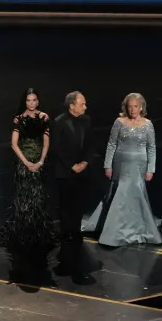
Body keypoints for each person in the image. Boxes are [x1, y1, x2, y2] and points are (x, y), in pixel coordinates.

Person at [83, 92, 162, 246]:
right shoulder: (119, 122)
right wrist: (107, 165)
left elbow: (151, 148)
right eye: (130, 106)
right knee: (119, 194)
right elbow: (112, 144)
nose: (132, 110)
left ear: (141, 107)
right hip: (120, 164)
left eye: (136, 106)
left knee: (135, 194)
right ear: (126, 107)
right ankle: (115, 232)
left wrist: (151, 169)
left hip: (139, 165)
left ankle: (136, 228)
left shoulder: (148, 124)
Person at [0, 87, 55, 255]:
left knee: (38, 198)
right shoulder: (18, 119)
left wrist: (40, 162)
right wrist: (25, 162)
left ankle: (37, 234)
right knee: (23, 198)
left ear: (38, 101)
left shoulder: (44, 117)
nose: (31, 103)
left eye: (34, 100)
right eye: (28, 100)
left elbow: (46, 143)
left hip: (39, 164)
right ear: (24, 102)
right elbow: (14, 144)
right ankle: (23, 234)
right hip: (23, 164)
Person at [50, 91, 94, 275]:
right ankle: (66, 235)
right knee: (65, 205)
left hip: (82, 171)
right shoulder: (59, 122)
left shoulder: (87, 120)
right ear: (72, 105)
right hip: (65, 172)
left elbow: (91, 144)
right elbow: (56, 148)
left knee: (79, 204)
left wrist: (84, 162)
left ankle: (76, 233)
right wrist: (71, 166)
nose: (85, 106)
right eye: (82, 104)